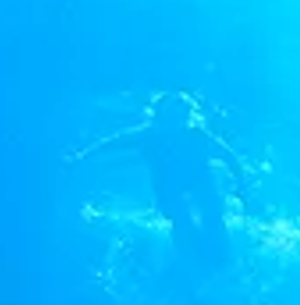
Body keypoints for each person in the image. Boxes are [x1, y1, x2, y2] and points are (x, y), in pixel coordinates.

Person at [74, 92, 252, 267]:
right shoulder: (148, 133)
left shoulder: (197, 136)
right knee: (181, 219)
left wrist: (242, 187)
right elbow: (112, 143)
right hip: (169, 185)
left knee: (212, 215)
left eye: (181, 116)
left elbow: (230, 157)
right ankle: (194, 259)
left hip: (199, 180)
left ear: (187, 116)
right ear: (159, 117)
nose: (176, 123)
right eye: (172, 117)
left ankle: (221, 260)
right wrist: (82, 156)